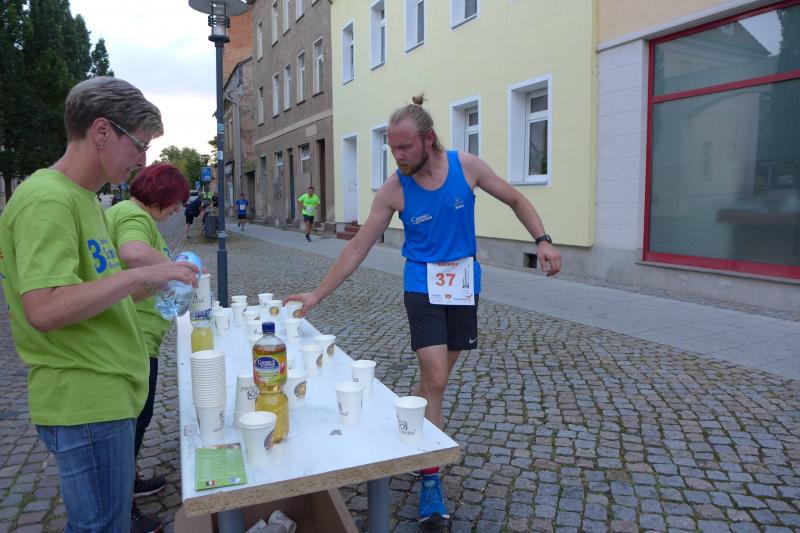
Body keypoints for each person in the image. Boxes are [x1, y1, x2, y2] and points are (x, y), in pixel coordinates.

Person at [285, 94, 561, 526]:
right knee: (435, 379)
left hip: (463, 286)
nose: (397, 156)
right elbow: (358, 246)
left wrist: (542, 240)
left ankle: (408, 424)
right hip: (422, 287)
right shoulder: (394, 190)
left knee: (435, 382)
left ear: (429, 140)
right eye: (392, 148)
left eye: (404, 147)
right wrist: (317, 295)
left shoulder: (466, 167)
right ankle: (430, 477)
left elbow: (514, 199)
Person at [0, 76, 198, 533]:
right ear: (102, 131)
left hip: (104, 396)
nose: (142, 160)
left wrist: (154, 283)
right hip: (86, 399)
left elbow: (99, 291)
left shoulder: (84, 200)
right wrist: (141, 275)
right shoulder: (48, 199)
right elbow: (44, 308)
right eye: (140, 145)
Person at [106, 163, 189, 533]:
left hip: (139, 336)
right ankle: (121, 508)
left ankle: (131, 481)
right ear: (161, 194)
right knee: (134, 421)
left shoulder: (132, 214)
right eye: (175, 201)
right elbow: (134, 252)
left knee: (137, 419)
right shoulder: (133, 215)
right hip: (133, 338)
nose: (177, 208)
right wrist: (177, 269)